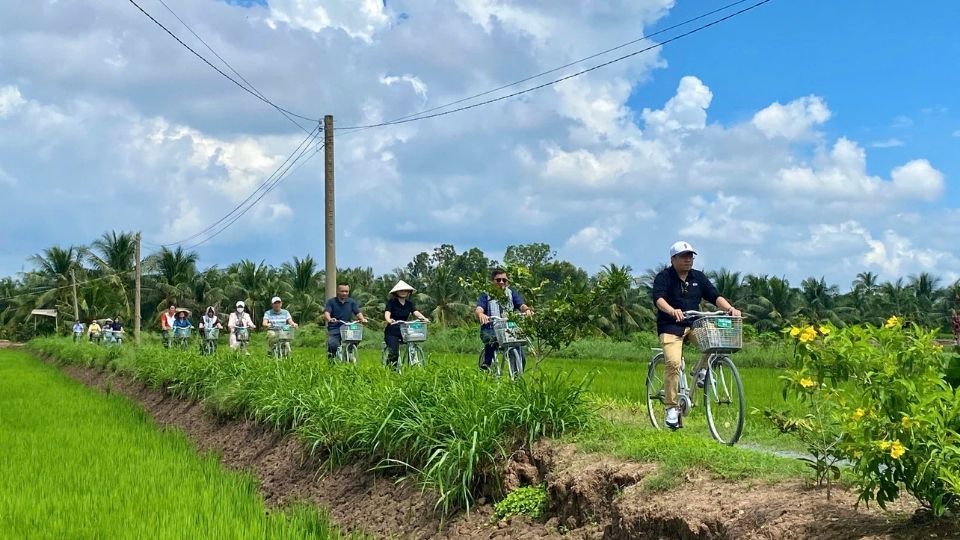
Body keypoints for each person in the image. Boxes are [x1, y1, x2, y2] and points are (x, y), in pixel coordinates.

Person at [651, 241, 741, 430]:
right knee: (673, 364)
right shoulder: (664, 277)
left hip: (694, 323)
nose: (688, 260)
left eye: (690, 256)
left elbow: (714, 296)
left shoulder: (698, 277)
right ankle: (672, 408)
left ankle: (701, 370)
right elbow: (658, 299)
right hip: (670, 327)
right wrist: (671, 310)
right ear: (673, 259)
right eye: (684, 256)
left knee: (715, 341)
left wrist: (730, 309)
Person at [476, 268, 532, 370]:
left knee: (520, 353)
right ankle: (487, 362)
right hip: (491, 328)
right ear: (492, 281)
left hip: (509, 328)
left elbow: (521, 305)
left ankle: (516, 378)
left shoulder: (511, 293)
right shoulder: (486, 294)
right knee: (491, 340)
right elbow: (479, 307)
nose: (501, 282)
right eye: (498, 280)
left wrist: (527, 310)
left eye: (504, 280)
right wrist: (481, 314)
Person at [383, 280, 430, 368]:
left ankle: (413, 361)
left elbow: (416, 312)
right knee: (394, 352)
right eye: (401, 290)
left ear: (409, 292)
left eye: (405, 290)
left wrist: (424, 318)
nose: (403, 292)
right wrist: (389, 320)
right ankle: (392, 370)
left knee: (413, 342)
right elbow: (387, 313)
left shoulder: (409, 304)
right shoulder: (391, 302)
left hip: (405, 330)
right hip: (392, 331)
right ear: (396, 292)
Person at [323, 284, 368, 358]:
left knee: (356, 335)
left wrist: (362, 319)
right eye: (342, 291)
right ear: (337, 291)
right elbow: (327, 313)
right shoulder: (331, 302)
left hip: (347, 326)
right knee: (333, 345)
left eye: (346, 291)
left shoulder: (351, 302)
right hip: (335, 327)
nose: (344, 293)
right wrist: (330, 319)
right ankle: (331, 361)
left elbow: (357, 312)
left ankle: (350, 352)